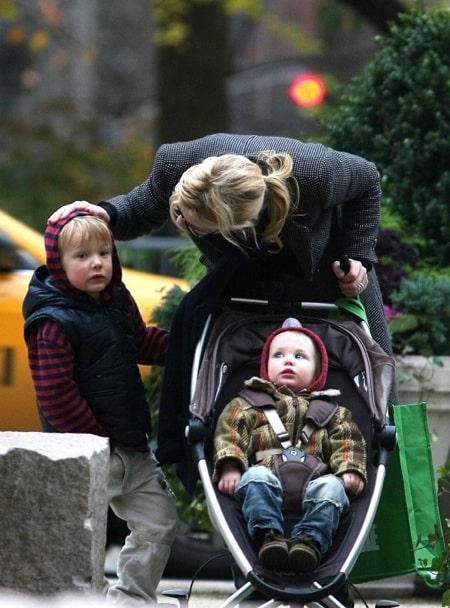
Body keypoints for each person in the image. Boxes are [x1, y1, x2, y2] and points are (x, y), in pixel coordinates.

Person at [47, 133, 394, 488]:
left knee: (379, 383)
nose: (179, 221)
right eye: (180, 209)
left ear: (233, 224)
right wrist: (109, 213)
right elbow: (147, 202)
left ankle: (378, 489)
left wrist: (357, 257)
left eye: (192, 222)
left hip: (326, 275)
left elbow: (368, 179)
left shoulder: (314, 173)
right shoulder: (175, 161)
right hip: (243, 276)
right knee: (231, 379)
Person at [22, 212, 178, 606]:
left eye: (104, 253)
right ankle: (77, 599)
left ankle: (131, 598)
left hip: (131, 444)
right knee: (75, 534)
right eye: (82, 256)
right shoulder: (52, 322)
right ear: (58, 264)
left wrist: (187, 347)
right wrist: (95, 444)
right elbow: (56, 394)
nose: (97, 263)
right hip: (86, 451)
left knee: (158, 521)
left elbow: (141, 341)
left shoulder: (116, 300)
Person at [213, 319, 367, 573]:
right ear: (265, 366)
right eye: (279, 355)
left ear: (318, 371)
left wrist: (349, 469)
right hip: (267, 475)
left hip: (316, 482)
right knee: (254, 477)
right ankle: (268, 536)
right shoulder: (248, 403)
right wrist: (230, 465)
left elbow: (348, 439)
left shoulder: (332, 412)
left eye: (299, 356)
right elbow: (229, 432)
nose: (288, 361)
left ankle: (310, 541)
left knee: (333, 488)